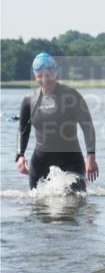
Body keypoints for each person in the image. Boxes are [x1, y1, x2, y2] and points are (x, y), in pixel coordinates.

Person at [15, 52, 99, 191]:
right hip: (40, 163)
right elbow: (23, 129)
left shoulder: (71, 96)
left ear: (55, 73)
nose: (44, 80)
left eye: (48, 75)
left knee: (75, 202)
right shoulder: (29, 100)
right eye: (40, 76)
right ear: (35, 76)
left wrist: (91, 156)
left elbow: (87, 126)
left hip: (71, 161)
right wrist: (20, 155)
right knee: (37, 207)